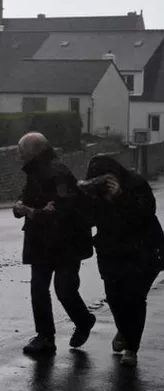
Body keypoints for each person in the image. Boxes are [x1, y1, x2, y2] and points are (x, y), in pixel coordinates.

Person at [13, 132, 96, 356]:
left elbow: (62, 213)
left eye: (22, 150)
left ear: (35, 151)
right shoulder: (34, 172)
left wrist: (32, 211)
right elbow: (27, 199)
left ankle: (84, 320)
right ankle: (45, 337)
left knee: (65, 288)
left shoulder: (58, 173)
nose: (19, 155)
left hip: (67, 242)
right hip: (41, 241)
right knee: (39, 289)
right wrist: (21, 207)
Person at [78, 154, 164, 367]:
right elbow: (88, 220)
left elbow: (146, 213)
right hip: (110, 251)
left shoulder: (136, 183)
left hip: (143, 250)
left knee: (134, 299)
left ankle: (132, 348)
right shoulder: (95, 193)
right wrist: (86, 197)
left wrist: (120, 197)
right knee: (114, 297)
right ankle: (125, 330)